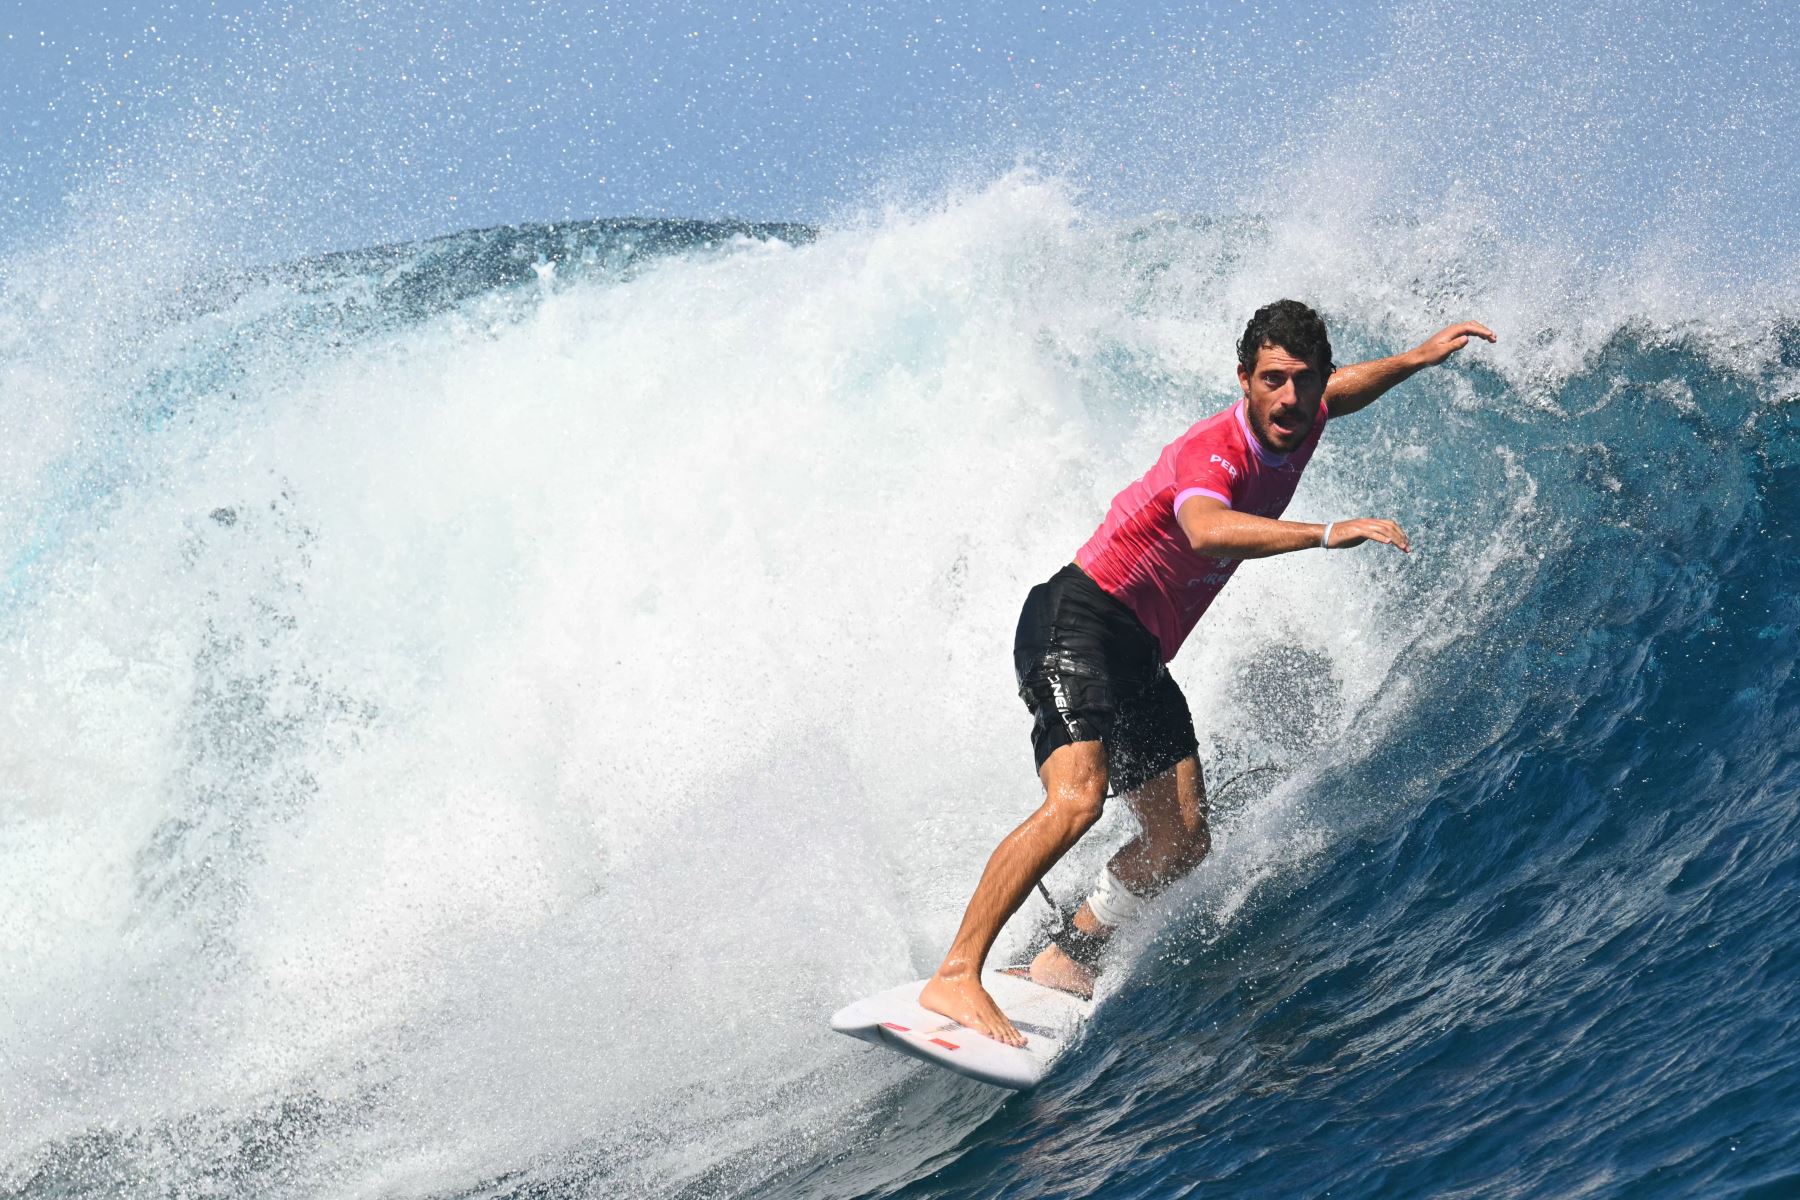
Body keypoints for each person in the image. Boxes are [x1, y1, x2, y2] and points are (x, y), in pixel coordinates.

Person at [918, 300, 1497, 1046]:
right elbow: (1206, 529)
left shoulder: (1308, 408)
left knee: (1183, 839)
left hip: (1138, 654)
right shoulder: (1213, 451)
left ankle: (1068, 953)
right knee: (1077, 801)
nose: (1291, 397)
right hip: (1079, 622)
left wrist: (1414, 359)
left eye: (1304, 381)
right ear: (1243, 381)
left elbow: (1341, 390)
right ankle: (957, 974)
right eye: (1272, 380)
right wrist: (1325, 532)